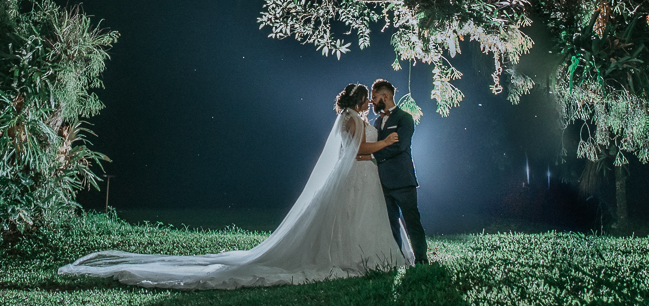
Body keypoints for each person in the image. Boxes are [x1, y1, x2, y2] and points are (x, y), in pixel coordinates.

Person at [58, 84, 413, 290]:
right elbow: (355, 151)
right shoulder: (351, 120)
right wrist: (383, 143)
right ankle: (358, 257)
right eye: (368, 99)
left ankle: (373, 255)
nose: (371, 103)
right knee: (351, 218)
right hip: (357, 174)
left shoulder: (357, 117)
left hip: (366, 175)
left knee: (360, 217)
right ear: (360, 101)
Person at [370, 79, 428, 264]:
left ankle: (421, 259)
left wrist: (375, 155)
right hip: (383, 180)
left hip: (403, 179)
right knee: (391, 224)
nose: (372, 101)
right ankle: (397, 260)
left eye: (375, 97)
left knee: (412, 221)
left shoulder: (405, 118)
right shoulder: (377, 121)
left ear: (385, 96)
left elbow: (400, 146)